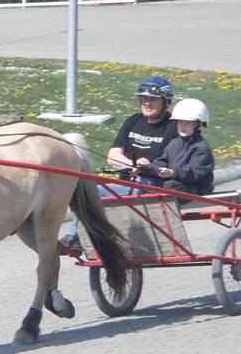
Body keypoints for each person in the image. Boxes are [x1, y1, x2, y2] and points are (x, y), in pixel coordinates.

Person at [59, 75, 178, 251]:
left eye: (153, 99)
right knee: (84, 190)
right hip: (125, 182)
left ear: (165, 102)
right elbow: (113, 155)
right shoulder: (133, 121)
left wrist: (149, 167)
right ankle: (81, 236)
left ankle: (76, 238)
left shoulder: (173, 127)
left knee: (94, 194)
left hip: (150, 185)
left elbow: (172, 163)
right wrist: (132, 165)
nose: (147, 103)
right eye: (144, 98)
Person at [133, 98, 215, 198]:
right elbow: (160, 163)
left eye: (187, 123)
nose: (183, 126)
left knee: (169, 186)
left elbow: (194, 172)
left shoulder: (201, 147)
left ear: (199, 125)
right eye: (180, 122)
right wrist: (142, 168)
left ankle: (159, 210)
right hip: (176, 185)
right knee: (144, 184)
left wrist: (172, 172)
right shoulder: (174, 143)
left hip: (196, 188)